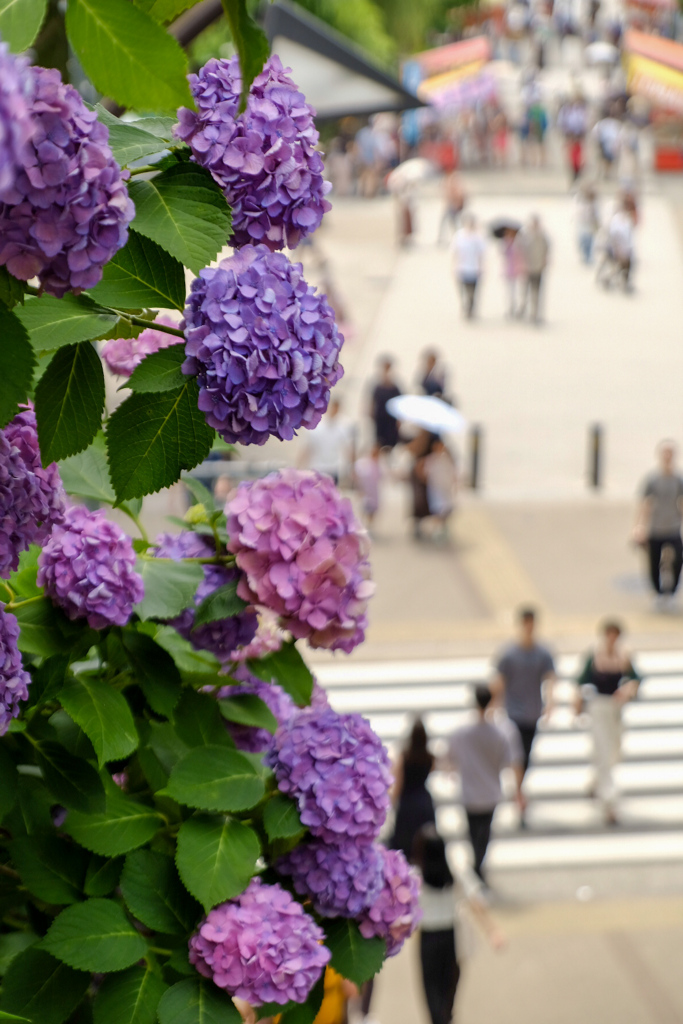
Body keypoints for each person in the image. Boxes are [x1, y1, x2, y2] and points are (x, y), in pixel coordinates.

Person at [412, 825, 504, 1024]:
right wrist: (492, 930)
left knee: (432, 996)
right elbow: (476, 901)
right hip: (452, 939)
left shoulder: (415, 877)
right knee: (448, 997)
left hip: (428, 940)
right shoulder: (454, 871)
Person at [448, 685, 521, 880]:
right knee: (484, 833)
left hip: (470, 791)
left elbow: (450, 757)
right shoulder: (501, 732)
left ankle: (477, 865)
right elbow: (510, 760)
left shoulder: (462, 731)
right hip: (490, 791)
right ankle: (479, 865)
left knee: (473, 832)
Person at [575, 620, 640, 824]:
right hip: (598, 706)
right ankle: (609, 801)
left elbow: (636, 678)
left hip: (615, 708)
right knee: (603, 750)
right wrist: (577, 705)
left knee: (614, 750)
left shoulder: (624, 655)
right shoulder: (594, 655)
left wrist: (628, 689)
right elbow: (580, 681)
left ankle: (596, 782)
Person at [492, 607, 556, 783]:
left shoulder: (542, 653)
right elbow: (500, 681)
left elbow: (550, 678)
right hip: (513, 711)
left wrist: (550, 703)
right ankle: (518, 788)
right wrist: (493, 705)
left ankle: (519, 785)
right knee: (516, 751)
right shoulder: (509, 654)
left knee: (526, 751)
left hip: (533, 710)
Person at [633, 440, 683, 606]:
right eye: (665, 453)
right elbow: (645, 504)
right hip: (655, 528)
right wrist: (639, 527)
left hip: (674, 527)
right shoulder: (653, 479)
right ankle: (657, 594)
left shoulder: (678, 479)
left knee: (677, 560)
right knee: (653, 562)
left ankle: (672, 592)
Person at [389, 717, 436, 860]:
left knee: (405, 846)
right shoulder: (430, 757)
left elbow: (398, 783)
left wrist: (391, 802)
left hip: (408, 804)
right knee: (425, 847)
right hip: (424, 802)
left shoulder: (405, 756)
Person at [300, 398, 353, 484]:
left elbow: (347, 448)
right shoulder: (317, 425)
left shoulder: (343, 426)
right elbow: (307, 447)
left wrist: (350, 467)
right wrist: (300, 467)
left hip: (332, 468)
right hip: (317, 467)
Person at [451, 214, 485, 320]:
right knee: (463, 290)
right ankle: (465, 308)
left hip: (474, 268)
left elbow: (481, 253)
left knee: (472, 292)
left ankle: (471, 309)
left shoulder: (477, 237)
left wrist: (481, 267)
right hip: (462, 268)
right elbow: (454, 252)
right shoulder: (459, 236)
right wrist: (453, 266)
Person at [519, 215, 550, 324]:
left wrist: (545, 261)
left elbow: (547, 249)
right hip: (527, 267)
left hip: (538, 268)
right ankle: (523, 308)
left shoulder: (543, 236)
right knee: (525, 290)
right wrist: (522, 264)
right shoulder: (525, 236)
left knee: (536, 291)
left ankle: (535, 313)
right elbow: (519, 250)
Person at [425, 439, 457, 537]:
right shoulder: (431, 459)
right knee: (438, 510)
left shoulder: (447, 459)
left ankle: (441, 529)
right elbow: (426, 473)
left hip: (446, 489)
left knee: (446, 510)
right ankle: (435, 530)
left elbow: (453, 473)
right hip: (435, 489)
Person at [369, 357, 401, 449]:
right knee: (379, 441)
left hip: (391, 419)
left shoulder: (394, 387)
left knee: (390, 442)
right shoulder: (378, 385)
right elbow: (373, 400)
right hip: (380, 417)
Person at [354, 443, 382, 530]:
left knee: (372, 510)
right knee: (364, 508)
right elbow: (357, 475)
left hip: (374, 491)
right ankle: (363, 525)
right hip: (366, 491)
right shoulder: (364, 463)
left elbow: (381, 476)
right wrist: (359, 488)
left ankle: (369, 526)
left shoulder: (378, 464)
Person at [500, 227, 525, 318]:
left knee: (518, 291)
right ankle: (510, 308)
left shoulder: (518, 243)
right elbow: (503, 254)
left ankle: (519, 308)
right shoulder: (505, 243)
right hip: (509, 270)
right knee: (510, 291)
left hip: (518, 270)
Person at [438, 172, 466, 245]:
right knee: (448, 223)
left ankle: (457, 237)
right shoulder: (451, 185)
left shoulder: (456, 187)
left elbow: (458, 197)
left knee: (453, 223)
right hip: (450, 207)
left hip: (453, 208)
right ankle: (442, 238)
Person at [575, 186, 600, 265]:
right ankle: (586, 255)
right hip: (582, 223)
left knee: (590, 240)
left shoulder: (594, 203)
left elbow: (597, 214)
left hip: (590, 224)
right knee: (583, 240)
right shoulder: (580, 200)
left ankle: (588, 256)